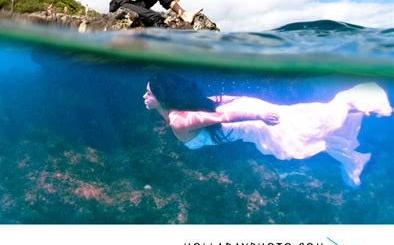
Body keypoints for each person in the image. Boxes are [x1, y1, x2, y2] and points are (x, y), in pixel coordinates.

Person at [143, 73, 392, 186]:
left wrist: (259, 114)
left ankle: (351, 101)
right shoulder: (185, 107)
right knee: (298, 121)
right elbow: (219, 100)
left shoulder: (179, 120)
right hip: (248, 113)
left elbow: (223, 116)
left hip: (250, 121)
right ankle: (352, 108)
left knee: (298, 130)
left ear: (162, 98)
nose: (144, 96)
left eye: (148, 93)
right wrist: (249, 103)